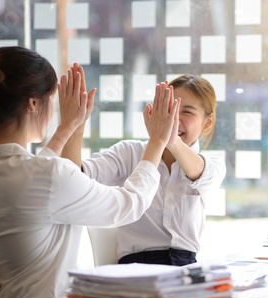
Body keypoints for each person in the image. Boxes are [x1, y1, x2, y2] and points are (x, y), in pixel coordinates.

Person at [0, 46, 178, 298]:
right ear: (33, 103)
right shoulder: (47, 177)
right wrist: (157, 141)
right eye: (51, 99)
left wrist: (67, 128)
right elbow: (129, 204)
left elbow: (31, 178)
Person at [64, 75, 226, 266]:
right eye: (169, 109)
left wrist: (169, 138)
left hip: (185, 269)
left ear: (207, 122)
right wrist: (74, 126)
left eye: (187, 112)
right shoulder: (129, 153)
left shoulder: (211, 165)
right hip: (135, 268)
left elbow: (199, 174)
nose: (174, 118)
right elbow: (73, 178)